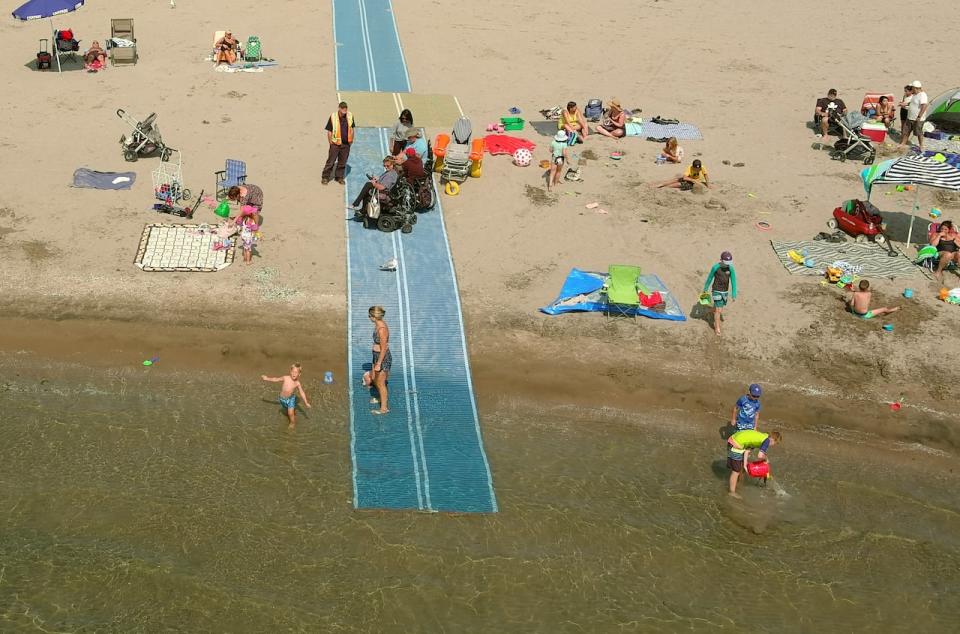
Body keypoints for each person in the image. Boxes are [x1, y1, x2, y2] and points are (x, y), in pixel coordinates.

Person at [727, 430, 781, 496]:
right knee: (736, 471)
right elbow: (760, 455)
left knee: (741, 467)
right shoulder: (767, 441)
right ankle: (732, 492)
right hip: (736, 443)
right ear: (773, 440)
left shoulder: (762, 436)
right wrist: (766, 459)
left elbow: (747, 451)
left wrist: (744, 465)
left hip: (734, 439)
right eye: (775, 444)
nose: (772, 445)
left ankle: (738, 484)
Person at [262, 363, 311, 429]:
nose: (294, 374)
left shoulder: (297, 383)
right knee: (287, 411)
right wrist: (267, 378)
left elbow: (302, 392)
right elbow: (276, 379)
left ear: (299, 374)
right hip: (282, 399)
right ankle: (292, 412)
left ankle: (292, 423)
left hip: (290, 399)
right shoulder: (285, 378)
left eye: (296, 372)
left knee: (290, 413)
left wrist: (306, 402)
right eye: (293, 372)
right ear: (290, 372)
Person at [703, 251, 737, 335]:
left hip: (725, 292)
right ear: (721, 260)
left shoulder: (731, 268)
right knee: (718, 310)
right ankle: (717, 327)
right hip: (716, 290)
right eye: (726, 262)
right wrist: (705, 288)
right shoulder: (715, 267)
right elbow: (710, 278)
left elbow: (733, 281)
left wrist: (734, 294)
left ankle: (708, 311)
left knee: (718, 309)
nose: (728, 264)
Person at [322, 101, 355, 185]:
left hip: (346, 144)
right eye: (343, 108)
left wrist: (351, 140)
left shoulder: (350, 116)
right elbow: (329, 131)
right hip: (335, 144)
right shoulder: (333, 117)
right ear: (339, 108)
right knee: (331, 161)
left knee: (342, 162)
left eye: (345, 108)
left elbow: (352, 129)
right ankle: (325, 177)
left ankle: (339, 177)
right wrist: (330, 142)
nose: (344, 110)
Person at [368, 306, 391, 415]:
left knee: (381, 383)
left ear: (374, 317)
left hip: (382, 358)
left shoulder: (382, 330)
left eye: (370, 316)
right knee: (374, 378)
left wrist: (378, 363)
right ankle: (380, 398)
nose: (369, 318)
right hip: (376, 356)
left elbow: (384, 348)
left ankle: (384, 408)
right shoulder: (377, 325)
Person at [900, 80, 929, 151]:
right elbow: (912, 103)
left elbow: (924, 106)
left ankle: (921, 145)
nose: (911, 89)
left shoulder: (922, 95)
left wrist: (919, 116)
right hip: (910, 117)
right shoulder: (915, 94)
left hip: (917, 118)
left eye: (912, 88)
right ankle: (903, 143)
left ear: (915, 88)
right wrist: (905, 104)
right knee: (906, 131)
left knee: (919, 133)